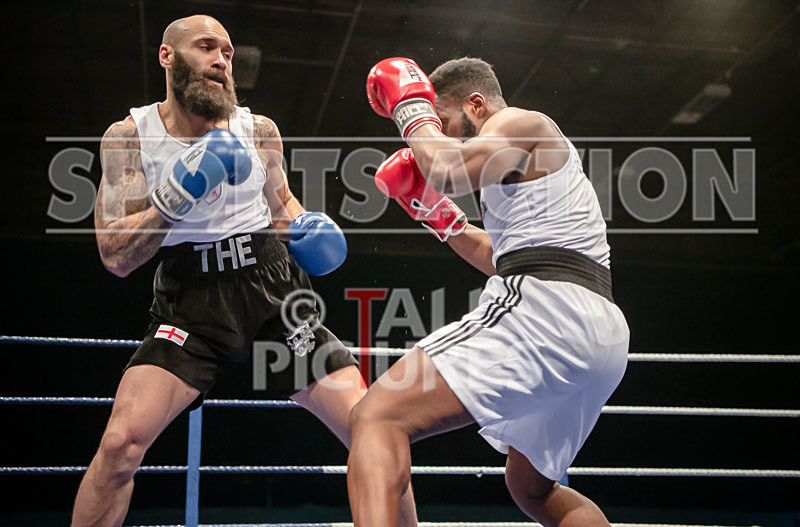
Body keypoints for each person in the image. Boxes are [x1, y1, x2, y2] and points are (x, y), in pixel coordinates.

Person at [71, 16, 416, 526]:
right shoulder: (129, 136)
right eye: (206, 47)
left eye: (228, 52)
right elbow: (116, 254)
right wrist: (177, 194)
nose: (221, 60)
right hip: (190, 305)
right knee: (120, 444)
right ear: (167, 57)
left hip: (274, 296)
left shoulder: (258, 129)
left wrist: (308, 228)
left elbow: (283, 208)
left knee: (377, 431)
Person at [347, 57, 630, 526]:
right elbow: (502, 257)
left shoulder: (521, 123)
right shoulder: (521, 171)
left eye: (446, 123)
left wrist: (412, 111)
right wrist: (439, 216)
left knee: (376, 416)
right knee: (531, 489)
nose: (439, 136)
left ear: (476, 105)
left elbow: (447, 170)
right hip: (597, 332)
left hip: (550, 313)